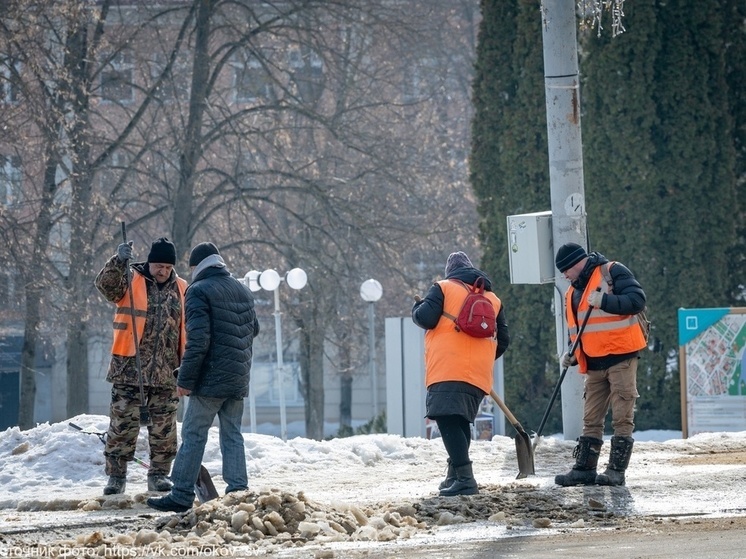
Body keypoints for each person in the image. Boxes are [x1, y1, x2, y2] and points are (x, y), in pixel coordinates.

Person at [147, 242, 260, 513]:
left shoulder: (198, 290)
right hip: (238, 377)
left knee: (194, 434)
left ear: (197, 267)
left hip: (209, 381)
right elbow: (253, 330)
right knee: (232, 435)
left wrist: (185, 380)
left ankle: (182, 493)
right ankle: (238, 492)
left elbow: (198, 340)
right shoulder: (243, 289)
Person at [95, 237, 188, 495]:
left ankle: (159, 475)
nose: (163, 271)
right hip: (128, 368)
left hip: (167, 372)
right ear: (149, 262)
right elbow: (106, 287)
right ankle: (116, 478)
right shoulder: (130, 278)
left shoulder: (182, 288)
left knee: (164, 429)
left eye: (168, 267)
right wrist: (117, 261)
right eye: (159, 265)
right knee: (122, 426)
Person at [412, 251, 510, 496]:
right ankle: (454, 475)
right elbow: (504, 340)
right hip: (478, 374)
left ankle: (466, 479)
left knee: (446, 418)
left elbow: (426, 318)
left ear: (450, 272)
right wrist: (480, 357)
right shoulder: (493, 299)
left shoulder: (443, 288)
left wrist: (416, 307)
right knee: (459, 419)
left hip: (447, 367)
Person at [553, 242, 647, 487]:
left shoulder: (612, 271)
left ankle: (616, 471)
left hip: (621, 356)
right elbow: (577, 327)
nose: (564, 275)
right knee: (591, 418)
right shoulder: (571, 292)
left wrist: (604, 300)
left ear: (577, 263)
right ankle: (584, 469)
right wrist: (571, 351)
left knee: (622, 415)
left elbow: (637, 301)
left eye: (566, 270)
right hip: (593, 362)